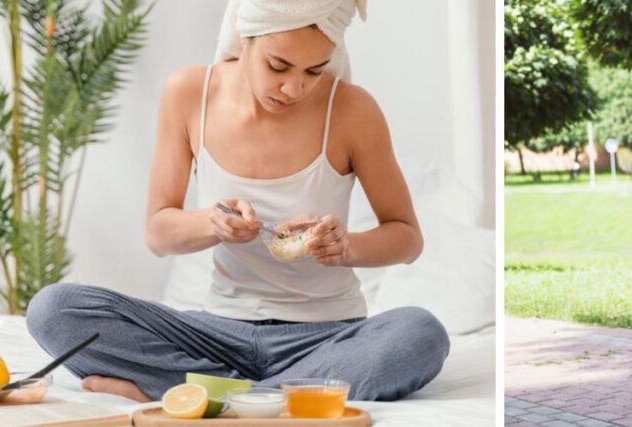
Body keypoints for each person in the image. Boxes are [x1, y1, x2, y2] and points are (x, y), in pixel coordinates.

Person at [25, 0, 449, 403]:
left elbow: (407, 238)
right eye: (278, 65)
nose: (294, 87)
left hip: (326, 338)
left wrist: (347, 247)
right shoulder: (189, 93)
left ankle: (204, 395)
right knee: (53, 309)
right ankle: (277, 398)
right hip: (216, 334)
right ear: (245, 37)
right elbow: (158, 233)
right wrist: (212, 223)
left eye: (314, 71)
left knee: (420, 333)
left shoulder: (354, 110)